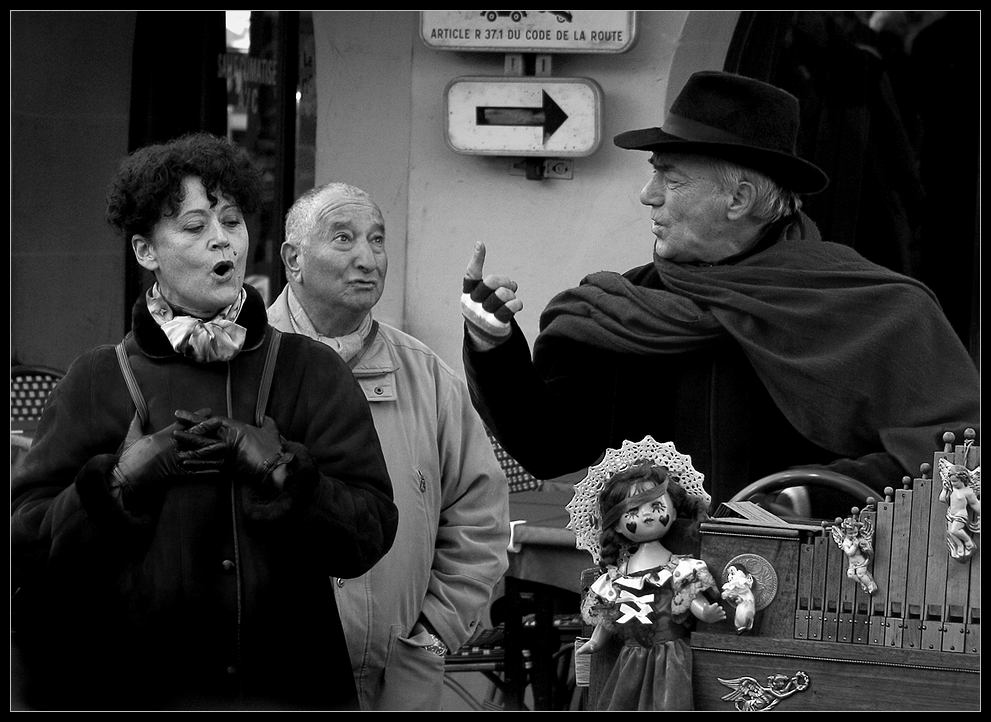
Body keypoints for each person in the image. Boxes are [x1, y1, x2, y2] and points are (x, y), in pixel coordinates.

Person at [460, 70, 981, 519]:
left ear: (739, 199)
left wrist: (808, 497)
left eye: (672, 178)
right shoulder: (622, 308)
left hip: (819, 605)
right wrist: (493, 347)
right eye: (653, 174)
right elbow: (549, 447)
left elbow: (956, 449)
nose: (648, 195)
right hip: (658, 601)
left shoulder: (874, 308)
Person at [10, 133, 398, 711]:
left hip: (287, 691)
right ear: (146, 251)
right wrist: (115, 486)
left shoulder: (309, 370)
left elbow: (369, 535)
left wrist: (289, 478)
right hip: (131, 692)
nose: (222, 239)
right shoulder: (96, 378)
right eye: (194, 226)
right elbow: (27, 542)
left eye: (232, 220)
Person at [268, 182, 510, 711]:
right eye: (343, 238)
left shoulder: (423, 374)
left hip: (396, 679)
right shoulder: (244, 367)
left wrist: (433, 630)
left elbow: (479, 515)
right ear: (293, 259)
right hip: (273, 678)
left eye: (377, 240)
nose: (367, 258)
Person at [575, 460, 725, 710]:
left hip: (671, 658)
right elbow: (607, 619)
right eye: (633, 511)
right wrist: (595, 641)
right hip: (631, 659)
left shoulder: (681, 569)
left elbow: (691, 599)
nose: (647, 515)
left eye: (656, 506)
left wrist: (704, 611)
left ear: (674, 512)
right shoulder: (615, 578)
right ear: (617, 525)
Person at [938, 461, 981, 561]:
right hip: (950, 514)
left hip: (960, 515)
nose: (953, 484)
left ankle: (969, 543)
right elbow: (942, 499)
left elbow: (975, 504)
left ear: (963, 479)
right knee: (951, 533)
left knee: (954, 530)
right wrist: (944, 489)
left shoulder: (967, 491)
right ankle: (960, 546)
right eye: (952, 481)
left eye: (955, 481)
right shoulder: (952, 490)